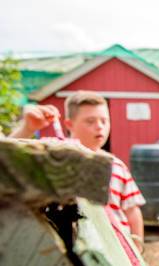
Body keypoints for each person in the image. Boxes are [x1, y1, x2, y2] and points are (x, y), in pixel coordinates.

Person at [7, 94, 146, 249]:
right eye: (90, 121)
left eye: (104, 120)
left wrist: (137, 244)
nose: (99, 126)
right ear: (69, 124)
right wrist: (27, 128)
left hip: (117, 249)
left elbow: (132, 211)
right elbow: (7, 158)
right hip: (68, 248)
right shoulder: (54, 153)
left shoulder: (117, 166)